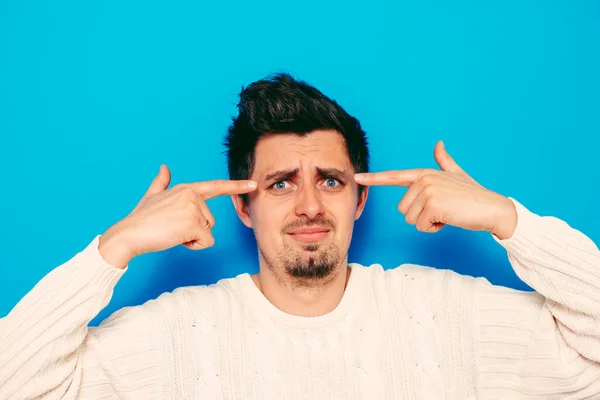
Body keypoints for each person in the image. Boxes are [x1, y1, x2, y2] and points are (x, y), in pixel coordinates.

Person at [0, 73, 598, 400]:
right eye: (281, 183)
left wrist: (509, 221)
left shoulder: (444, 313)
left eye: (332, 181)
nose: (310, 205)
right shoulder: (176, 336)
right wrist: (115, 248)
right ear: (243, 205)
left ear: (361, 199)